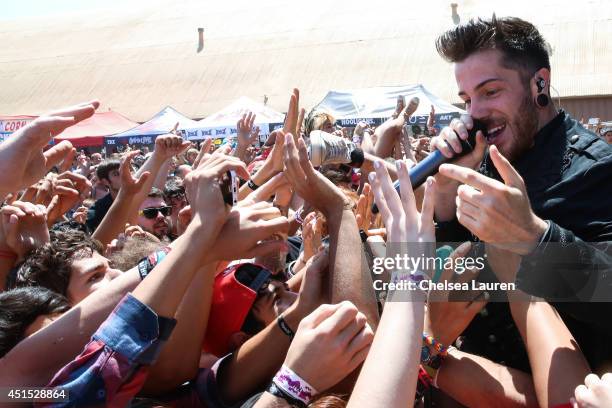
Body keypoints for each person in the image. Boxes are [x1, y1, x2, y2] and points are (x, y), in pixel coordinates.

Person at [429, 15, 612, 372]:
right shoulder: (483, 161)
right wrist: (447, 196)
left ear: (539, 83)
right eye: (467, 99)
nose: (475, 113)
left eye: (490, 92)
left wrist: (535, 237)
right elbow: (457, 271)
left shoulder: (596, 170)